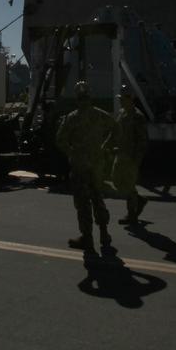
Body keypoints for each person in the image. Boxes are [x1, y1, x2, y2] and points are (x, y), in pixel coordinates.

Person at [56, 80, 117, 251]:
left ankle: (87, 238)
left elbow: (60, 139)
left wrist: (71, 152)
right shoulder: (100, 114)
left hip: (80, 166)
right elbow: (115, 127)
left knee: (83, 203)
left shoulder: (72, 117)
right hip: (97, 164)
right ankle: (104, 234)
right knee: (98, 198)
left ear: (78, 98)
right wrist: (106, 145)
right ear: (90, 97)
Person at [114, 86, 150, 226]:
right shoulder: (122, 113)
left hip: (131, 157)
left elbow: (143, 141)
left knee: (128, 183)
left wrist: (136, 160)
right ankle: (139, 200)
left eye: (122, 99)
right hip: (121, 153)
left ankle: (132, 215)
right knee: (117, 181)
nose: (120, 102)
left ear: (130, 99)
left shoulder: (138, 117)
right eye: (120, 99)